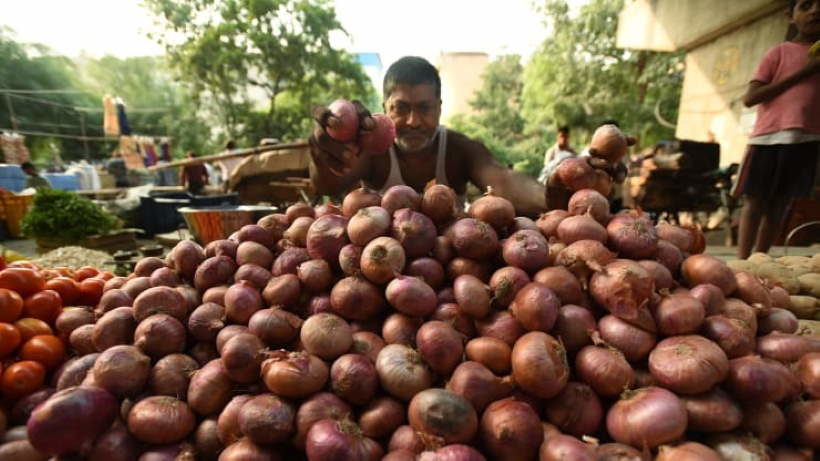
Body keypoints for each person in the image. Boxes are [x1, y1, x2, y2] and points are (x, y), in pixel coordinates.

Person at [309, 57, 626, 217]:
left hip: (446, 278)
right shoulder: (372, 152)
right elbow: (327, 184)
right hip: (381, 278)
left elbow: (502, 180)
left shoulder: (459, 150)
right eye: (401, 108)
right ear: (383, 109)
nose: (414, 121)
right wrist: (326, 154)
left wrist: (553, 194)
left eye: (424, 108)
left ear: (440, 107)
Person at [734, 0, 820, 259]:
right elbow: (750, 97)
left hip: (808, 140)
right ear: (790, 16)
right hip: (768, 138)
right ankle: (742, 262)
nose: (816, 10)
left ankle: (760, 260)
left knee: (780, 204)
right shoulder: (780, 52)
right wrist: (806, 72)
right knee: (755, 201)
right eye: (806, 6)